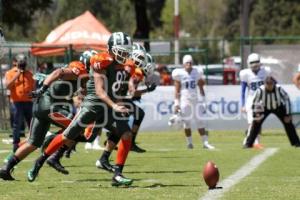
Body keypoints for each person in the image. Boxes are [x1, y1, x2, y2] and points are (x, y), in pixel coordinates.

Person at [26, 32, 134, 186]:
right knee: (66, 136)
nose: (124, 55)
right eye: (121, 51)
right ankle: (39, 162)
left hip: (107, 107)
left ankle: (117, 175)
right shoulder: (101, 60)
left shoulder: (117, 64)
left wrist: (118, 102)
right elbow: (100, 91)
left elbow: (111, 89)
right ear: (111, 48)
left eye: (126, 52)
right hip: (92, 106)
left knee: (126, 134)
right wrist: (115, 105)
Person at [0, 50, 96, 181]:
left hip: (43, 106)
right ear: (87, 62)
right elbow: (58, 72)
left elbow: (83, 90)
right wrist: (42, 89)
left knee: (32, 143)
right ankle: (53, 148)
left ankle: (6, 167)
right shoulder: (78, 68)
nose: (96, 66)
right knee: (77, 128)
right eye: (93, 63)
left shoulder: (84, 74)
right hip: (49, 105)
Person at [171, 54, 215, 149]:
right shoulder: (179, 74)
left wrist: (203, 101)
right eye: (187, 62)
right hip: (185, 100)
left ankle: (205, 143)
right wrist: (176, 103)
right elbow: (177, 90)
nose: (189, 64)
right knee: (187, 123)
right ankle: (189, 143)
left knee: (200, 122)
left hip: (195, 100)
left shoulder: (197, 72)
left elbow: (201, 87)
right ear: (183, 64)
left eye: (190, 62)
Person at [244, 76, 300, 148]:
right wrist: (256, 115)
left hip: (278, 107)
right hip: (264, 107)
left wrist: (288, 114)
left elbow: (287, 99)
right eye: (268, 84)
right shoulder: (260, 90)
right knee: (255, 124)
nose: (269, 86)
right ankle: (248, 144)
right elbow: (255, 102)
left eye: (271, 84)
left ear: (274, 83)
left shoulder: (279, 89)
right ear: (265, 84)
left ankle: (296, 142)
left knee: (288, 123)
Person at [240, 53, 272, 148]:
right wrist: (243, 104)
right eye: (252, 63)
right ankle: (252, 142)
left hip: (262, 100)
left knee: (258, 122)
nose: (255, 66)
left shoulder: (265, 71)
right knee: (251, 122)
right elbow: (242, 91)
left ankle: (252, 141)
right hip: (251, 99)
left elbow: (271, 84)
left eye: (256, 63)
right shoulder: (245, 73)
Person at [4, 54, 35, 152]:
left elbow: (33, 87)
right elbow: (8, 86)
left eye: (24, 61)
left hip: (28, 102)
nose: (22, 63)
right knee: (17, 123)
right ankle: (15, 143)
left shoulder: (29, 73)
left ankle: (32, 141)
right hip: (16, 102)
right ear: (15, 62)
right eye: (20, 61)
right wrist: (17, 75)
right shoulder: (10, 73)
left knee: (31, 123)